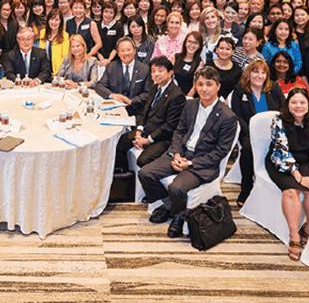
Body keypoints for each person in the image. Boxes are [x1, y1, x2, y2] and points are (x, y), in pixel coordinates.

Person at [139, 66, 239, 238]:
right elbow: (179, 131)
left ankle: (178, 217)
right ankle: (170, 206)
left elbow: (220, 152)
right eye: (200, 84)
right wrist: (176, 153)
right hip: (182, 153)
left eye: (209, 84)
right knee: (145, 173)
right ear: (195, 86)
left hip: (202, 162)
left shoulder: (227, 116)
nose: (204, 89)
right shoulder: (190, 105)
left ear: (218, 86)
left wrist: (190, 163)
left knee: (176, 188)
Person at [267, 87, 309, 261]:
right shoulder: (279, 122)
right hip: (280, 162)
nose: (298, 106)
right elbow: (282, 152)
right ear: (288, 104)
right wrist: (299, 177)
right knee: (291, 191)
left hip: (304, 161)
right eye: (294, 102)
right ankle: (294, 235)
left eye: (302, 102)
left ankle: (308, 229)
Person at [230, 60, 285, 206]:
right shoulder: (240, 90)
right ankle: (246, 188)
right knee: (247, 149)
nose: (259, 76)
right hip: (249, 132)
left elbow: (284, 110)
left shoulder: (274, 88)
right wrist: (251, 132)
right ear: (248, 73)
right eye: (255, 72)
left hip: (273, 132)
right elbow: (237, 116)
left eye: (263, 72)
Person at [116, 56, 185, 171]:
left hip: (162, 138)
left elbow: (169, 126)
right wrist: (139, 131)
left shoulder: (176, 95)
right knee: (120, 142)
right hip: (147, 130)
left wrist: (147, 140)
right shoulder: (154, 88)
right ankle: (124, 175)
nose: (156, 74)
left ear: (170, 73)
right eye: (153, 71)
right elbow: (145, 112)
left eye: (160, 70)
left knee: (143, 160)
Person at [94, 37, 150, 103]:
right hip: (116, 105)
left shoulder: (144, 69)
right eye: (122, 51)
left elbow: (148, 93)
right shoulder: (111, 67)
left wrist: (131, 101)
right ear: (118, 53)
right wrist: (113, 96)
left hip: (136, 106)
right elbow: (99, 86)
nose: (126, 53)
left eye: (128, 50)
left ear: (134, 51)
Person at [174, 31, 204, 97]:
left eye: (195, 43)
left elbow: (195, 87)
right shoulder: (176, 57)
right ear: (185, 43)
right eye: (189, 41)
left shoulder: (200, 63)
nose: (192, 45)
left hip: (188, 96)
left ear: (199, 46)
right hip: (173, 94)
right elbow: (169, 77)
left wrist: (186, 99)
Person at [40, 10, 69, 74]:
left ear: (60, 22)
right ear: (48, 21)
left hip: (58, 71)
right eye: (51, 19)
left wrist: (58, 73)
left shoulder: (65, 35)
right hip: (44, 69)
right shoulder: (43, 32)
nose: (53, 22)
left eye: (56, 20)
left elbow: (65, 57)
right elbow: (40, 53)